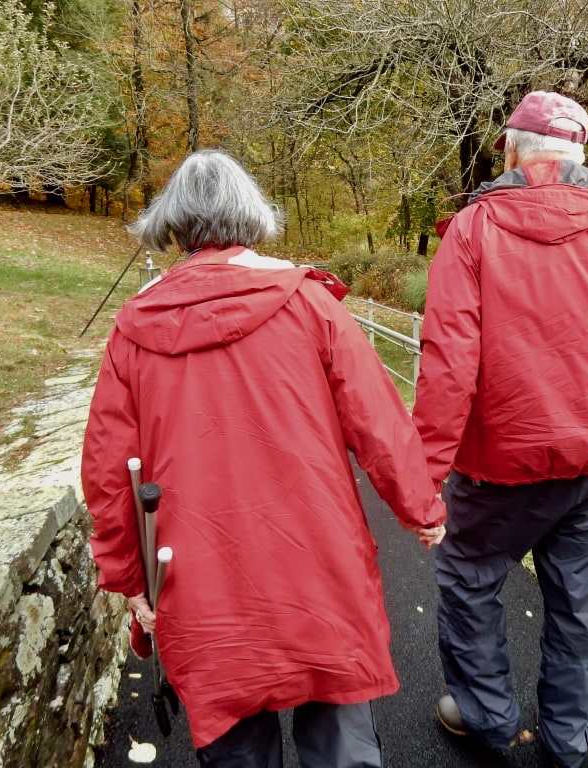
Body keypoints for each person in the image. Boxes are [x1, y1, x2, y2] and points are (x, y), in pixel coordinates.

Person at [81, 149, 446, 768]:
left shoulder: (135, 326)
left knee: (232, 735)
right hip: (316, 556)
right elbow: (378, 421)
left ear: (174, 224)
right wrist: (419, 507)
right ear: (252, 216)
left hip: (199, 573)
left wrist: (127, 575)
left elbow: (109, 468)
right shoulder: (309, 303)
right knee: (337, 723)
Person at [412, 91, 588, 768]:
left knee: (470, 583)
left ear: (511, 149)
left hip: (498, 465)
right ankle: (567, 737)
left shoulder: (473, 231)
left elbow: (448, 365)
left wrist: (424, 477)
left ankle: (486, 716)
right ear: (581, 155)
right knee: (578, 602)